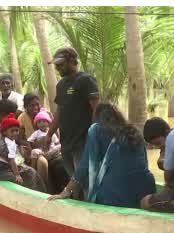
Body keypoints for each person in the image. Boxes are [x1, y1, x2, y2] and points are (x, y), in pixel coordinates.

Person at [49, 103, 155, 207]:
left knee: (105, 187)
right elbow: (144, 163)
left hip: (114, 195)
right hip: (145, 190)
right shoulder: (134, 130)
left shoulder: (96, 130)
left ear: (97, 117)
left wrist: (66, 191)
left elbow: (85, 165)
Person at [40, 47, 100, 191]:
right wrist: (49, 135)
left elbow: (96, 109)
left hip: (83, 142)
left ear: (73, 61)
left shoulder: (86, 80)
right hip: (66, 143)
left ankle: (89, 208)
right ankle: (77, 205)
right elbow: (60, 112)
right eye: (56, 65)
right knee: (74, 180)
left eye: (61, 64)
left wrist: (94, 136)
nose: (58, 67)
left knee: (85, 180)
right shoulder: (61, 85)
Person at [0, 112, 44, 191]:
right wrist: (17, 175)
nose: (15, 133)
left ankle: (39, 191)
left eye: (17, 130)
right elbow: (12, 161)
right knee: (20, 181)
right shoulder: (9, 143)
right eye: (12, 131)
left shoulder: (11, 140)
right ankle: (31, 193)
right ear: (4, 132)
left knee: (31, 172)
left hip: (6, 167)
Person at [29, 110, 69, 194]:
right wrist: (38, 143)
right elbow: (30, 141)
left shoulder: (51, 133)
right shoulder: (36, 133)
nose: (42, 124)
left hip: (51, 152)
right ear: (36, 124)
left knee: (61, 146)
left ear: (48, 122)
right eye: (39, 122)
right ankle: (32, 167)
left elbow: (57, 143)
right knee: (34, 152)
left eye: (44, 121)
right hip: (42, 153)